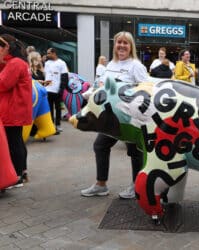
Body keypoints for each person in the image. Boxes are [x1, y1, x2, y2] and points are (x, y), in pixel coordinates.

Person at [80, 31, 147, 199]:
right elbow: (100, 85)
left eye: (126, 43)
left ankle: (136, 186)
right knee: (100, 145)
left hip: (130, 118)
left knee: (135, 151)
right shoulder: (110, 64)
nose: (122, 46)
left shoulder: (136, 66)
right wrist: (90, 93)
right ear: (114, 45)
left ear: (131, 46)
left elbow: (146, 90)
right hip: (110, 117)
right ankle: (101, 185)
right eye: (119, 42)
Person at [0, 34, 32, 187]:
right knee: (17, 141)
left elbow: (3, 83)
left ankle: (17, 175)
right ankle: (22, 172)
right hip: (17, 108)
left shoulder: (14, 63)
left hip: (12, 108)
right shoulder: (18, 62)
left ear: (7, 47)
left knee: (13, 143)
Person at [44, 48, 68, 134]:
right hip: (47, 90)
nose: (47, 55)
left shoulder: (61, 63)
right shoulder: (46, 63)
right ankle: (51, 125)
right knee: (49, 108)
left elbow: (65, 77)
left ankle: (58, 124)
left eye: (49, 53)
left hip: (57, 90)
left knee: (58, 108)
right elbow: (45, 76)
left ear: (54, 53)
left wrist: (61, 89)